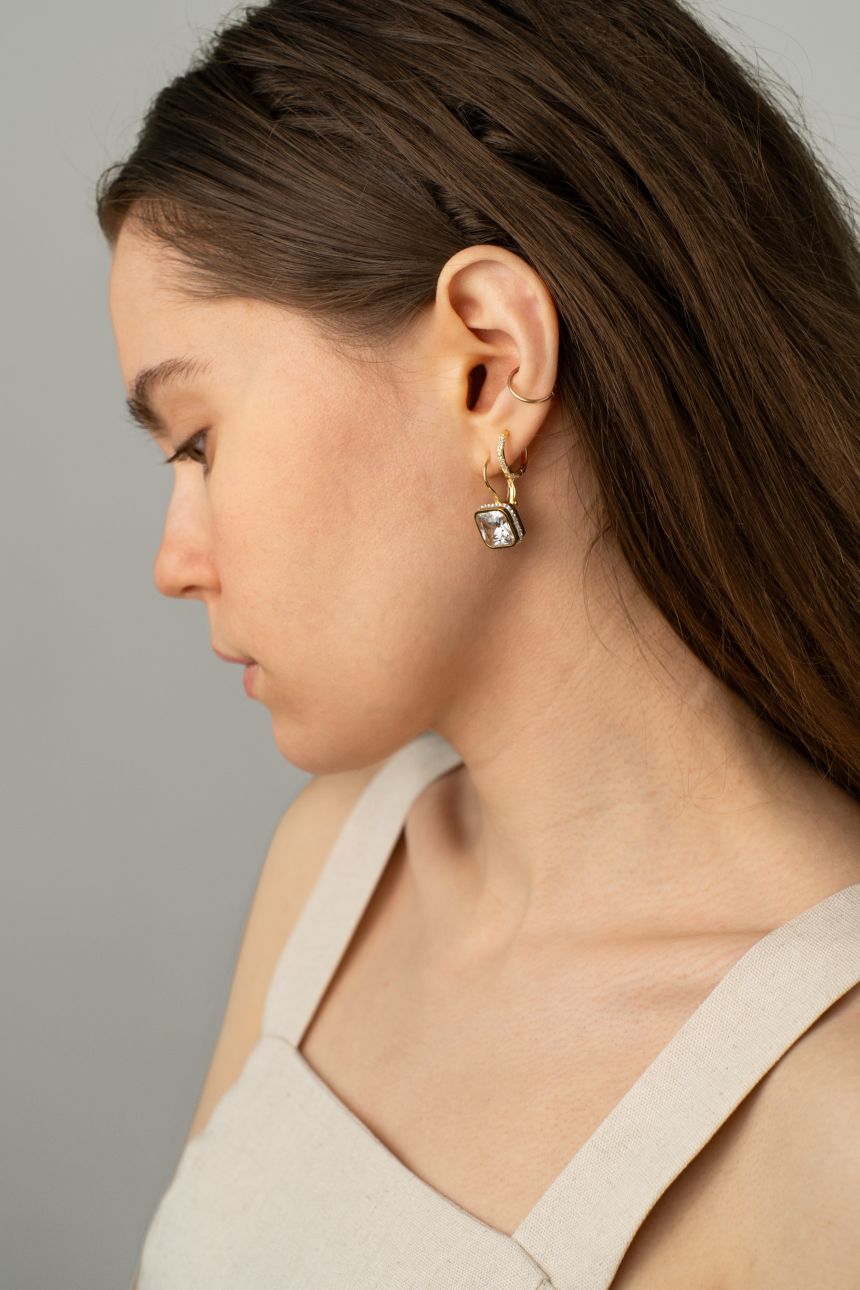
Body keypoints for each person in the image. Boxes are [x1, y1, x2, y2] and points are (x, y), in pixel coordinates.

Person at [102, 1, 860, 1285]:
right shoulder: (334, 867)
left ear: (490, 368)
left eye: (199, 442)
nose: (173, 563)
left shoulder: (828, 1114)